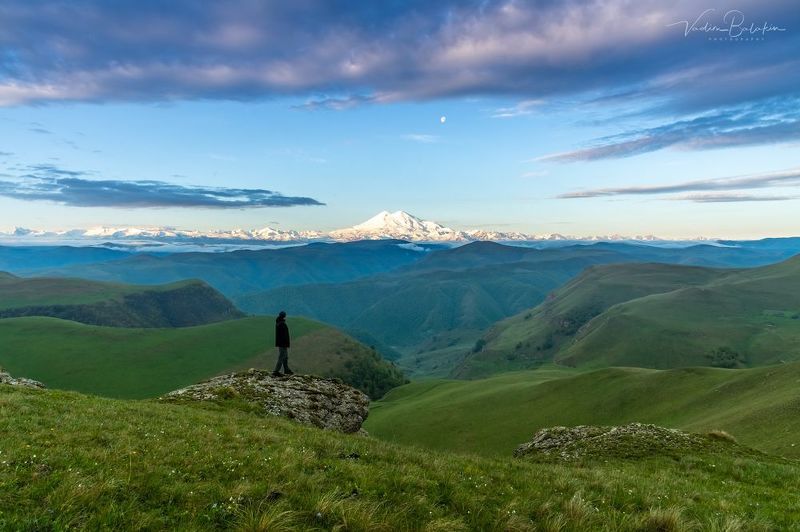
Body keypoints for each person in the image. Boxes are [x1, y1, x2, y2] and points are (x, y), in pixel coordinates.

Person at [273, 310, 293, 377]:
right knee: (282, 357)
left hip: (281, 343)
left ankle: (286, 369)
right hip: (283, 344)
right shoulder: (282, 324)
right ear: (284, 316)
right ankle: (276, 371)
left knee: (285, 357)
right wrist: (286, 343)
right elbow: (284, 335)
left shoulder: (279, 323)